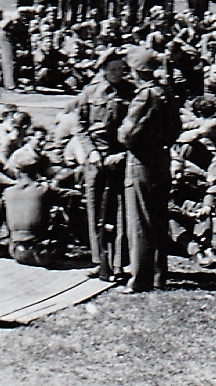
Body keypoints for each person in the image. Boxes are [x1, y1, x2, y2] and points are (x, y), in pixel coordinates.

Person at [117, 45, 177, 293]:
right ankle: (159, 274)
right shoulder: (166, 92)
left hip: (141, 162)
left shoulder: (144, 96)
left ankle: (140, 277)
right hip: (162, 159)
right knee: (159, 219)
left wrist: (123, 134)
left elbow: (127, 134)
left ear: (137, 71)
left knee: (139, 220)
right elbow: (175, 129)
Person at [75, 48, 134, 281]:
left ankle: (119, 263)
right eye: (113, 70)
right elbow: (80, 126)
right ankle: (99, 260)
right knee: (94, 209)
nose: (118, 73)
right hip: (95, 160)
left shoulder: (131, 92)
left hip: (119, 158)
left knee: (119, 210)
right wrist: (90, 152)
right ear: (103, 70)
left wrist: (123, 153)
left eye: (121, 69)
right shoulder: (89, 93)